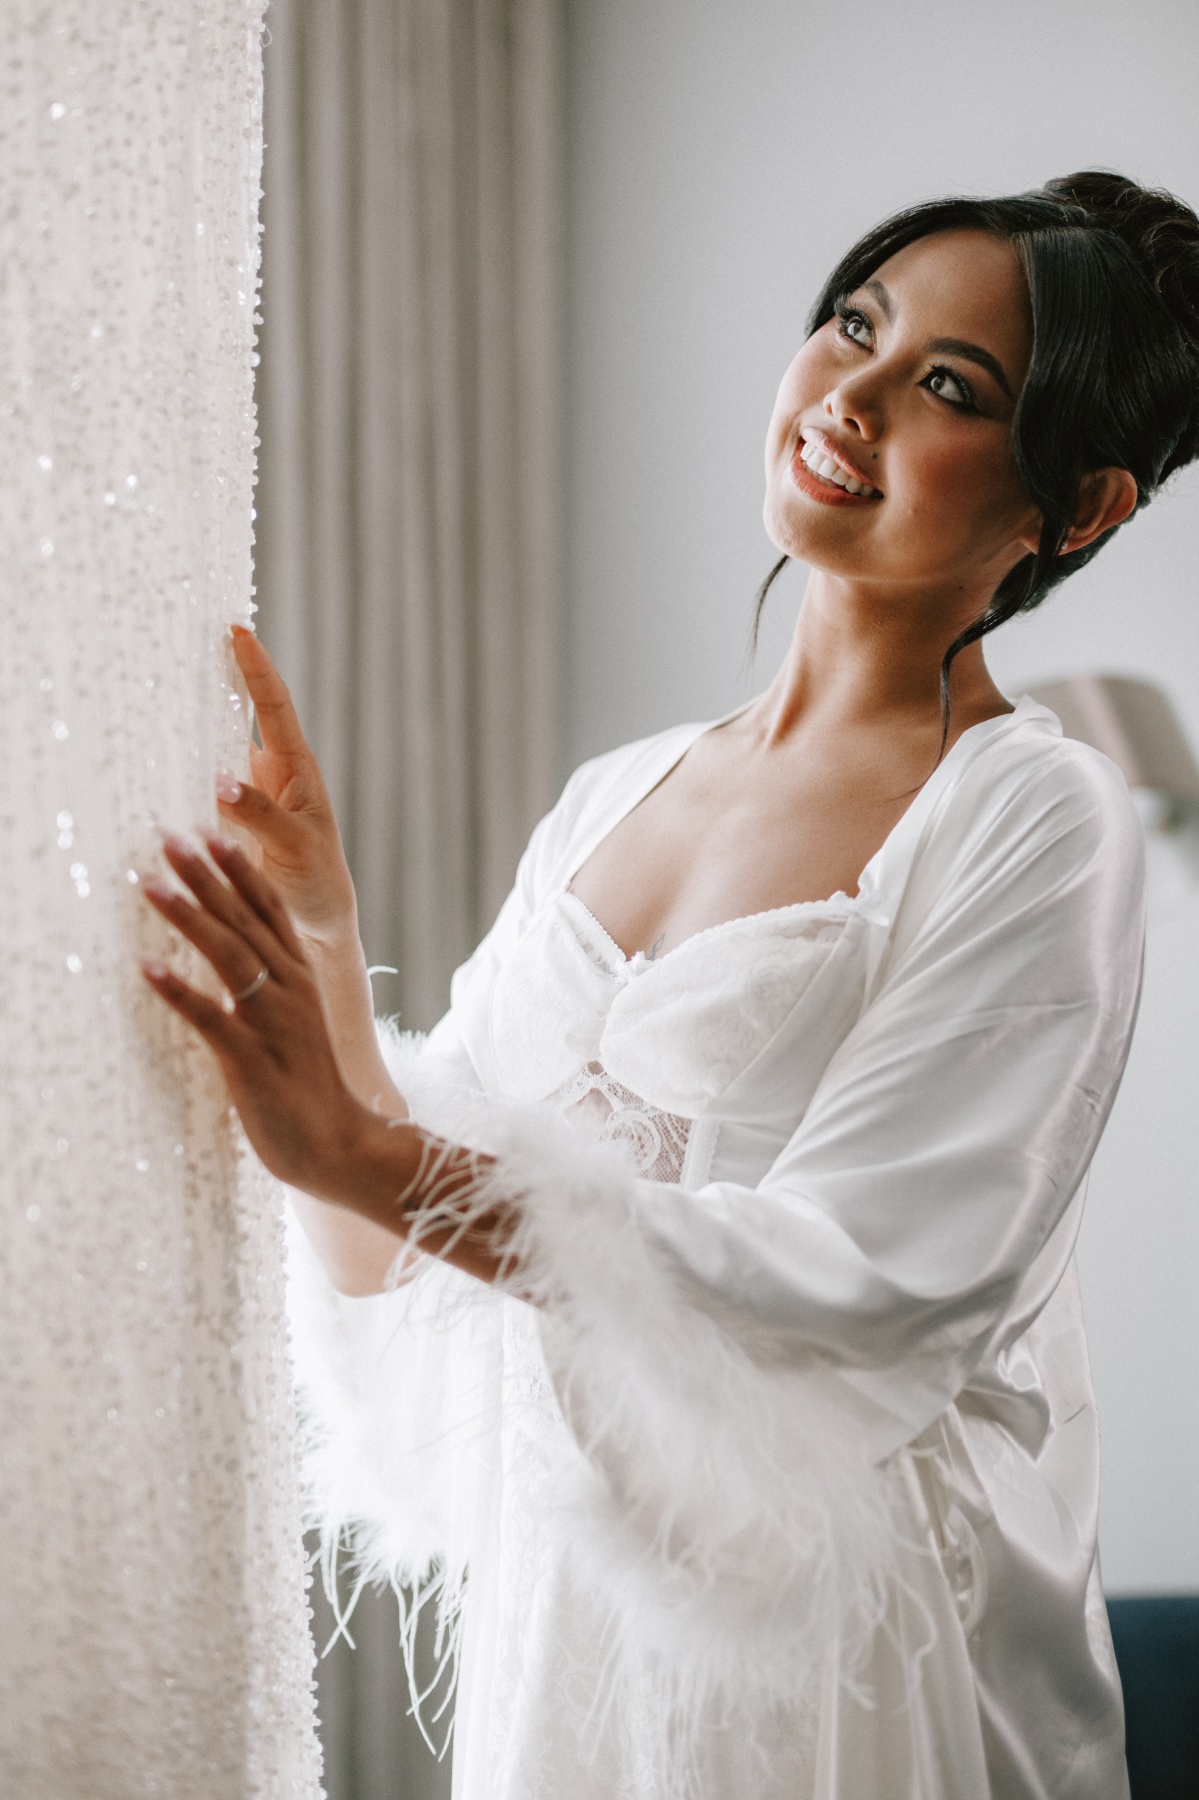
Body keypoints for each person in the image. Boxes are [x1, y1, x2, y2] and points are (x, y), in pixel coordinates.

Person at [141, 172, 1199, 1799]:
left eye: (948, 387)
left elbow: (871, 1281)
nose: (846, 395)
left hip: (859, 1679)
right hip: (577, 1649)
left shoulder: (1031, 814)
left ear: (1083, 504)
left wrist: (369, 1156)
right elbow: (400, 1266)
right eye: (858, 323)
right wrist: (327, 927)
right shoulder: (615, 793)